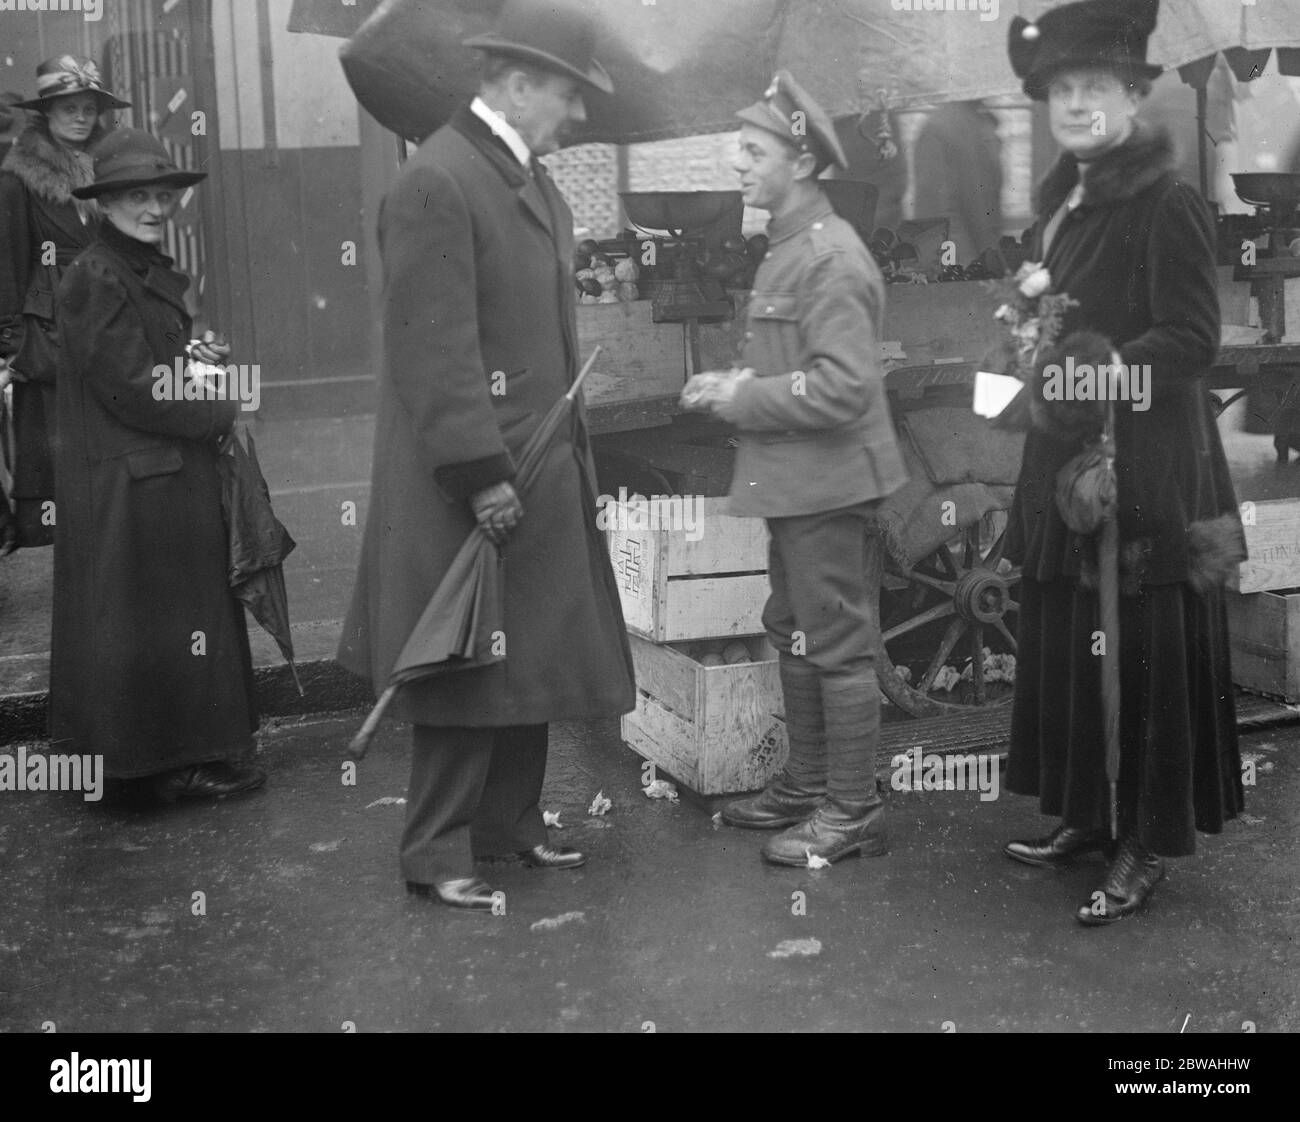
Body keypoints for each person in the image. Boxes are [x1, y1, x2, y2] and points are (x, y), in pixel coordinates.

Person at [338, 0, 635, 911]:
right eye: (570, 95)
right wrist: (480, 475)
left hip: (537, 467)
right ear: (513, 83)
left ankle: (510, 826)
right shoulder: (439, 179)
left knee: (528, 657)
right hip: (472, 479)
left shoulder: (527, 178)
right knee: (458, 663)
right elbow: (436, 350)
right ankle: (433, 851)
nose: (580, 116)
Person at [1000, 0, 1246, 925]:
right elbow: (1047, 320)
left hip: (1143, 465)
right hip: (1069, 458)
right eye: (1060, 89)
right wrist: (1018, 353)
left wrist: (1094, 367)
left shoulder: (1168, 200)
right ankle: (1090, 815)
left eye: (1093, 86)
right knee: (1075, 634)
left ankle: (1144, 841)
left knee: (1141, 650)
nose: (1074, 104)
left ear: (1134, 93)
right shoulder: (1065, 202)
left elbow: (1190, 337)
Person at [682, 71, 908, 866]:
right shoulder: (788, 245)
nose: (737, 164)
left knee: (836, 642)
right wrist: (740, 387)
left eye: (753, 151)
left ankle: (854, 810)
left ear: (802, 161)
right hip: (797, 481)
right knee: (796, 630)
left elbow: (845, 387)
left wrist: (743, 397)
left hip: (830, 483)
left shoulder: (830, 258)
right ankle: (810, 784)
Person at [54, 128, 266, 803]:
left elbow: (154, 362)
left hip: (158, 474)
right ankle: (150, 769)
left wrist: (199, 359)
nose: (153, 207)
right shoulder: (96, 273)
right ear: (105, 203)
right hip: (130, 482)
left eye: (160, 194)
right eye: (136, 196)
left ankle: (184, 756)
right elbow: (127, 385)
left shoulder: (139, 267)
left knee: (172, 620)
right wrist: (215, 409)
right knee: (146, 621)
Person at [0, 56, 128, 550]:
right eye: (67, 107)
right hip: (51, 324)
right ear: (45, 113)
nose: (80, 117)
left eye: (89, 108)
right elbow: (8, 262)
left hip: (109, 310)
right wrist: (10, 343)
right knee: (60, 441)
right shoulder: (18, 180)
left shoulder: (112, 165)